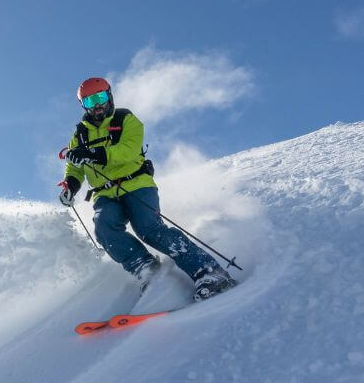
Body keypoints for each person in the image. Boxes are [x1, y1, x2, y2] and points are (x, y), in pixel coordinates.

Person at [58, 76, 237, 301]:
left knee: (149, 228)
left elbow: (129, 150)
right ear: (83, 106)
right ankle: (146, 269)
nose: (97, 106)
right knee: (104, 229)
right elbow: (74, 168)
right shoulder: (79, 135)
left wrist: (93, 154)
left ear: (110, 95)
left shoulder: (125, 119)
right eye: (90, 102)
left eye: (101, 97)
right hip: (104, 193)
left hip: (136, 183)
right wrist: (70, 186)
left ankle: (209, 272)